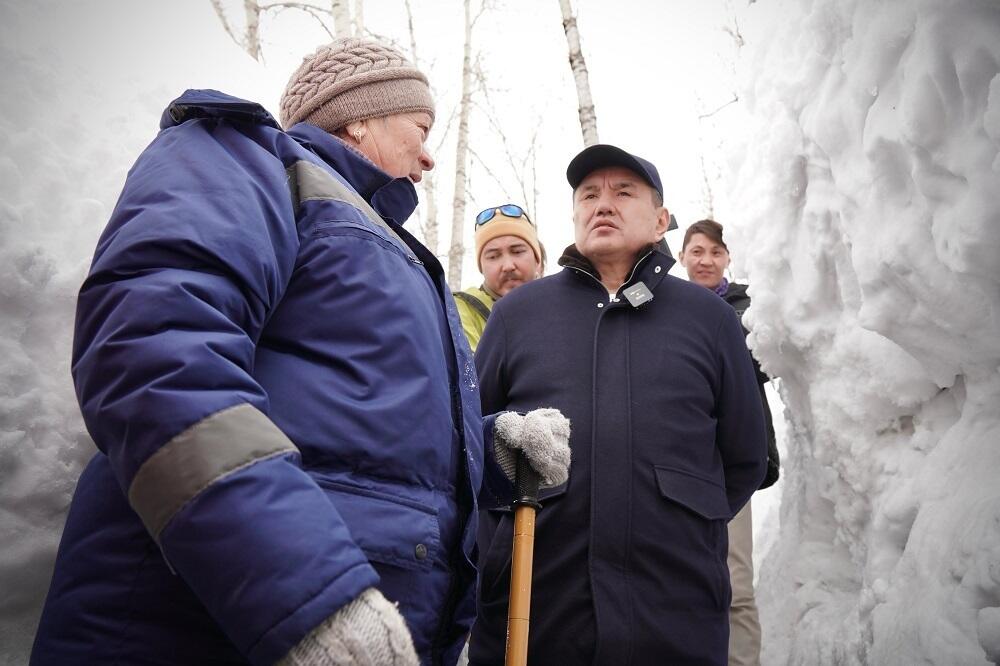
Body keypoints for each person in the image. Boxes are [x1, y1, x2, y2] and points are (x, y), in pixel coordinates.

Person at [30, 38, 568, 666]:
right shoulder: (245, 158)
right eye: (420, 128)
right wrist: (306, 593)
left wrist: (488, 453)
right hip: (206, 626)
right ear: (359, 116)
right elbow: (155, 353)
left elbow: (361, 438)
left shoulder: (392, 248)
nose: (427, 156)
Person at [468, 144, 768, 665]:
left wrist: (683, 517)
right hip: (537, 614)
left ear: (660, 221)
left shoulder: (710, 319)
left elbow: (743, 459)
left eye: (623, 192)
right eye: (589, 195)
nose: (602, 204)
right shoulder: (517, 316)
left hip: (675, 614)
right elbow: (468, 442)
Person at [678, 219, 780, 666]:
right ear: (682, 257)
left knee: (735, 582)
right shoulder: (664, 305)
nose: (706, 260)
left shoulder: (748, 308)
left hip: (729, 463)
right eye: (697, 251)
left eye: (716, 252)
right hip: (676, 462)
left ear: (728, 259)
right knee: (676, 579)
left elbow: (760, 360)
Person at [454, 204, 543, 351]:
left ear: (537, 260)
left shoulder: (562, 309)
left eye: (517, 252)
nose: (508, 266)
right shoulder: (462, 310)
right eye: (493, 256)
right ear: (481, 267)